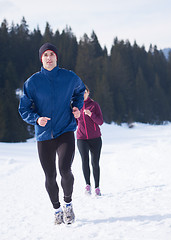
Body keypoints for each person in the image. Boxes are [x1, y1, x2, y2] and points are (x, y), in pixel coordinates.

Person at [18, 42, 86, 225]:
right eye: (45, 55)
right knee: (49, 175)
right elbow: (23, 108)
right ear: (41, 58)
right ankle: (57, 210)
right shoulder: (32, 82)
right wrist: (36, 119)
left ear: (57, 57)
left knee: (65, 169)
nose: (49, 58)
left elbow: (80, 92)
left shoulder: (69, 77)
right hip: (44, 135)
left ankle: (68, 205)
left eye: (52, 54)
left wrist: (77, 107)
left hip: (65, 130)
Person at [76, 85, 104, 196]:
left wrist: (91, 114)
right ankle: (87, 186)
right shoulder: (76, 106)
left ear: (88, 92)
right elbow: (75, 122)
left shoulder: (94, 105)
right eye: (81, 93)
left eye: (85, 92)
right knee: (85, 161)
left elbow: (100, 121)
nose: (83, 94)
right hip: (81, 138)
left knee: (95, 162)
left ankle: (97, 187)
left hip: (95, 138)